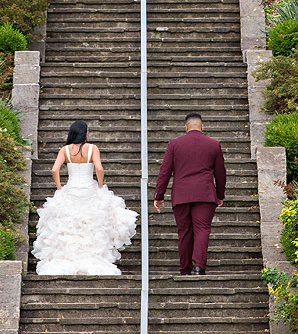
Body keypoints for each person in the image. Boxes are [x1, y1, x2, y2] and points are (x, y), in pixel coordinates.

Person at [32, 119, 138, 275]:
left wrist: (59, 188)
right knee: (92, 226)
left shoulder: (65, 150)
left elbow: (55, 170)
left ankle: (68, 258)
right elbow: (99, 168)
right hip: (89, 190)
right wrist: (101, 186)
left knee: (69, 227)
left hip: (71, 191)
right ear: (85, 133)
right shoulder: (92, 148)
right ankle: (94, 257)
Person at [153, 112, 226, 276]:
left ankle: (185, 269)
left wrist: (159, 195)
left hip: (181, 195)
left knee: (184, 232)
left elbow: (165, 171)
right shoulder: (213, 145)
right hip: (205, 194)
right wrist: (220, 194)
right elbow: (221, 173)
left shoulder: (174, 144)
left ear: (185, 127)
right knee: (202, 229)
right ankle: (199, 266)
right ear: (202, 127)